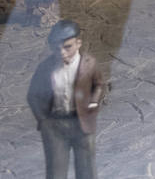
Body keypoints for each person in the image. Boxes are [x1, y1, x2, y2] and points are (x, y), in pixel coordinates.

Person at [27, 19, 105, 179]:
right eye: (56, 48)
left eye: (67, 47)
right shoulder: (45, 67)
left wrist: (94, 102)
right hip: (55, 126)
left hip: (82, 122)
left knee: (87, 170)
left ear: (78, 43)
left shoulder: (89, 64)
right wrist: (43, 120)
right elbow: (33, 95)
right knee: (56, 171)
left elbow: (99, 84)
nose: (62, 52)